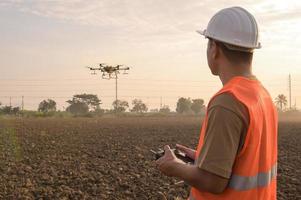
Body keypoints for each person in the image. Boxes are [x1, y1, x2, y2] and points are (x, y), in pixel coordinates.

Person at [155, 7, 277, 200]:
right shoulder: (262, 95)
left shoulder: (228, 101)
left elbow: (213, 182)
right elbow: (246, 160)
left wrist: (175, 167)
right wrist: (205, 158)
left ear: (215, 48)